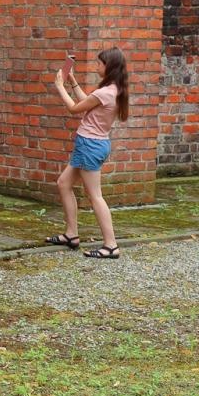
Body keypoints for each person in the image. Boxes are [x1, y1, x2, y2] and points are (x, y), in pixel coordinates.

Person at [46, 47, 130, 259]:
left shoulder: (105, 92)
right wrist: (72, 82)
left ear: (109, 67)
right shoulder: (113, 90)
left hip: (90, 145)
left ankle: (111, 245)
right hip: (92, 143)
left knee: (95, 196)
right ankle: (71, 234)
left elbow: (75, 109)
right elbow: (87, 103)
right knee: (63, 183)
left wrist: (59, 86)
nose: (96, 67)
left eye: (99, 64)